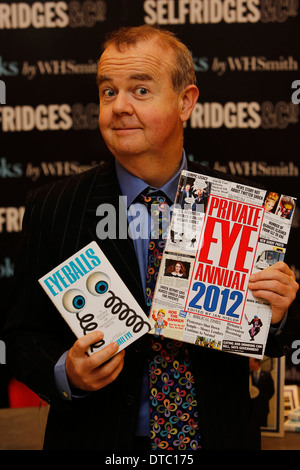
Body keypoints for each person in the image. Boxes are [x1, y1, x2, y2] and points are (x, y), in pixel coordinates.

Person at [2, 25, 299, 451]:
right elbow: (20, 335)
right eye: (108, 92)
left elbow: (274, 335)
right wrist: (65, 373)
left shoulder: (245, 210)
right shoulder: (53, 208)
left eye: (140, 90)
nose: (119, 106)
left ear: (186, 102)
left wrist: (278, 314)